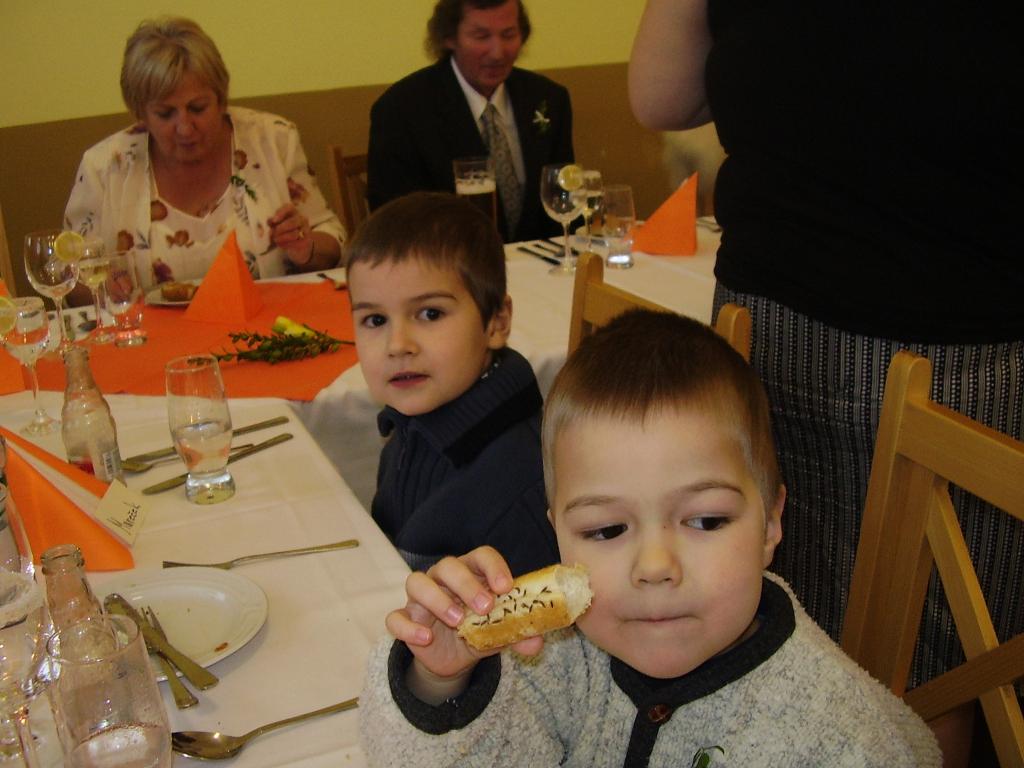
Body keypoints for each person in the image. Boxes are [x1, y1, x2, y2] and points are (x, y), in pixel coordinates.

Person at [628, 0, 1024, 694]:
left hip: (922, 340)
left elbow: (662, 96)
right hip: (827, 332)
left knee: (912, 664)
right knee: (802, 638)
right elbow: (660, 98)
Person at [358, 310, 941, 767]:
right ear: (557, 537)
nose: (655, 565)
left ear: (770, 525)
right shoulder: (557, 656)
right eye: (606, 529)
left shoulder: (838, 745)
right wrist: (439, 682)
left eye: (706, 521)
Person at [346, 191, 557, 575]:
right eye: (375, 320)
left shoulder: (518, 487)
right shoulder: (410, 427)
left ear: (496, 322)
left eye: (430, 313)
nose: (397, 345)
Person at [64, 17, 343, 293]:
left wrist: (306, 247)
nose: (185, 128)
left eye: (198, 108)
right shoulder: (104, 167)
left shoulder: (274, 139)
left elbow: (333, 242)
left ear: (221, 99)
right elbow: (70, 278)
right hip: (149, 325)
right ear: (141, 115)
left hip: (266, 321)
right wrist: (100, 286)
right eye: (165, 114)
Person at [367, 0, 574, 243]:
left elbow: (564, 201)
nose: (497, 53)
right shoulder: (403, 110)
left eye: (508, 35)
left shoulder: (548, 98)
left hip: (542, 263)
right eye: (481, 36)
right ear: (449, 37)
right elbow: (396, 226)